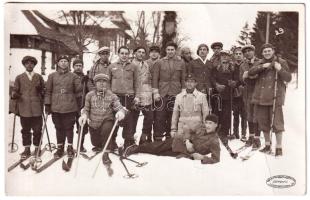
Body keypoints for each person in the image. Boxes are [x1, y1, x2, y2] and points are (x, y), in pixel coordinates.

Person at [123, 114, 221, 165]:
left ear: (216, 125)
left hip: (183, 153)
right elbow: (186, 128)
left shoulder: (214, 141)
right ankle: (134, 148)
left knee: (159, 153)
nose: (207, 125)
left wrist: (202, 157)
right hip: (177, 141)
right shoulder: (200, 128)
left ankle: (139, 148)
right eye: (207, 122)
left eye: (210, 123)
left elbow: (216, 159)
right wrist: (187, 141)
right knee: (155, 147)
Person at [248, 43, 291, 156]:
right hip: (261, 98)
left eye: (269, 50)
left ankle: (279, 147)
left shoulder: (281, 62)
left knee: (277, 123)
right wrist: (263, 67)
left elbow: (288, 77)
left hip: (274, 98)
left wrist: (280, 69)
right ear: (262, 53)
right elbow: (250, 72)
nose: (267, 53)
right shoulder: (260, 63)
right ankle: (267, 145)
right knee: (263, 123)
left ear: (273, 51)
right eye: (265, 51)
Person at [79, 73, 126, 163]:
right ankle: (107, 144)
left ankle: (106, 154)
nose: (102, 83)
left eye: (104, 81)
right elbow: (86, 109)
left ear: (107, 83)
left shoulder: (112, 95)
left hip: (106, 120)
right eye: (99, 81)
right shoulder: (89, 95)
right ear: (95, 84)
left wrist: (120, 112)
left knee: (107, 128)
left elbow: (119, 107)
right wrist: (84, 115)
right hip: (94, 124)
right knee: (95, 143)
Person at [44, 55, 82, 158]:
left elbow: (78, 92)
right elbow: (48, 91)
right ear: (58, 63)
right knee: (58, 127)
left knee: (69, 127)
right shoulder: (52, 76)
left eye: (66, 61)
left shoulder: (73, 76)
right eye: (61, 61)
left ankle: (69, 147)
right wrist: (47, 104)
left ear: (68, 63)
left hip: (70, 106)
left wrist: (80, 106)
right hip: (56, 107)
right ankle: (60, 147)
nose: (64, 63)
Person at [11, 56, 45, 158]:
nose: (29, 65)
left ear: (34, 65)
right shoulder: (19, 77)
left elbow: (44, 90)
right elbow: (15, 90)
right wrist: (14, 94)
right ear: (24, 65)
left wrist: (42, 91)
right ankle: (26, 148)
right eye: (27, 63)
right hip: (24, 107)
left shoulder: (39, 77)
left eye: (32, 63)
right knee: (25, 130)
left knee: (37, 130)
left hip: (36, 108)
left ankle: (37, 148)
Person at [152, 42, 186, 141]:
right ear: (165, 51)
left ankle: (169, 137)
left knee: (173, 116)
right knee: (160, 116)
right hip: (162, 92)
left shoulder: (181, 62)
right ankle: (158, 137)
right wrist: (156, 92)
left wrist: (183, 91)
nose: (170, 51)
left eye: (172, 50)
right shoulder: (159, 62)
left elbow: (183, 78)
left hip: (176, 92)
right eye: (168, 50)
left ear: (175, 50)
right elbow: (155, 78)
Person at [107, 46, 139, 149]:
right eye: (122, 53)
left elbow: (137, 83)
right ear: (118, 54)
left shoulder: (133, 67)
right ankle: (112, 142)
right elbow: (107, 82)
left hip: (128, 97)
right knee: (114, 120)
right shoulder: (112, 66)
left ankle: (127, 142)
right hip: (115, 97)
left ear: (129, 54)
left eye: (126, 53)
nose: (124, 55)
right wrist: (109, 96)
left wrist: (137, 96)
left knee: (128, 121)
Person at [212, 50, 238, 145]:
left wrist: (234, 83)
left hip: (228, 94)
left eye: (226, 55)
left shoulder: (233, 68)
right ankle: (215, 132)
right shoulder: (216, 67)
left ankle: (225, 132)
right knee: (216, 113)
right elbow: (212, 78)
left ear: (229, 57)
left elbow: (237, 78)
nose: (224, 57)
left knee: (227, 114)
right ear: (220, 57)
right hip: (218, 94)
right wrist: (216, 85)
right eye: (223, 56)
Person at [131, 46, 154, 144]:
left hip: (146, 95)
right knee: (133, 118)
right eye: (139, 52)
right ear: (134, 53)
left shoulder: (146, 65)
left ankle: (144, 137)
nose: (141, 54)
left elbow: (149, 79)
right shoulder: (130, 64)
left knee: (149, 116)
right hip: (134, 94)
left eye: (143, 52)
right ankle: (130, 139)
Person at [240, 45, 261, 147]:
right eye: (245, 52)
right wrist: (247, 77)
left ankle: (257, 138)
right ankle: (251, 136)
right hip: (247, 93)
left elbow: (260, 77)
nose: (247, 53)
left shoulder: (260, 62)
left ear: (254, 51)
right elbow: (242, 79)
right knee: (249, 115)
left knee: (257, 115)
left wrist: (249, 76)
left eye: (249, 51)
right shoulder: (242, 65)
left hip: (258, 93)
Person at [72, 58, 89, 152]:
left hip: (82, 104)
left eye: (80, 66)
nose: (78, 67)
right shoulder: (70, 76)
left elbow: (90, 89)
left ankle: (80, 145)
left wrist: (87, 82)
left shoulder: (85, 77)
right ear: (73, 67)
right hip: (72, 104)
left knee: (82, 125)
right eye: (76, 66)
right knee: (69, 125)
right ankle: (69, 146)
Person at [231, 47, 247, 140]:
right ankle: (235, 132)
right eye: (236, 54)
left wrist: (243, 85)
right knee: (235, 114)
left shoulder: (245, 65)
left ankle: (244, 133)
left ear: (243, 55)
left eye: (240, 54)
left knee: (244, 114)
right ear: (234, 55)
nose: (238, 55)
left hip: (244, 92)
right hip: (235, 93)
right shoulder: (232, 66)